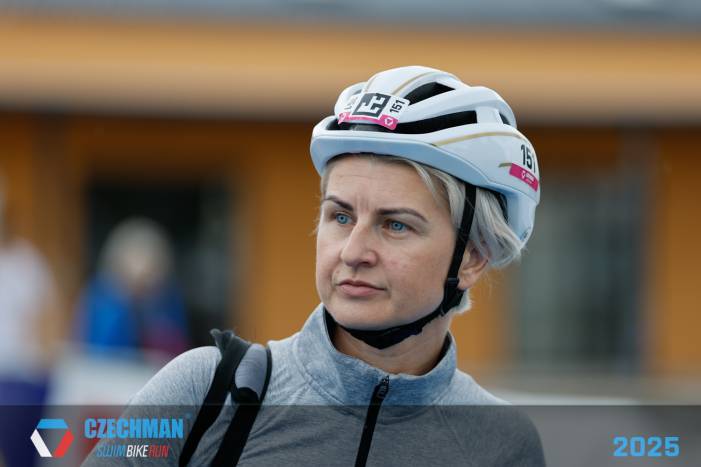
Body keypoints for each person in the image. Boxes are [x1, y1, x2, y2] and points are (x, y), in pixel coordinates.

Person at [84, 66, 544, 466]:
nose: (353, 252)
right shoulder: (203, 391)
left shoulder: (502, 444)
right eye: (340, 216)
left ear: (473, 257)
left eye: (395, 225)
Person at [74, 217, 190, 359]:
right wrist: (127, 302)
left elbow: (177, 352)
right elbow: (98, 348)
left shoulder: (168, 299)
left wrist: (149, 309)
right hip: (106, 370)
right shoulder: (100, 294)